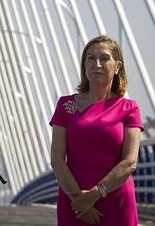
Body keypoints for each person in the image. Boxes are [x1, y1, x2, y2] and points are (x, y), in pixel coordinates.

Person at [50, 35, 144, 225]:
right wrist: (79, 200)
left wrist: (93, 195)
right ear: (84, 65)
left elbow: (129, 162)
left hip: (116, 202)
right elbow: (57, 159)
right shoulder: (66, 105)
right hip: (74, 202)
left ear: (117, 66)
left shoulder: (129, 109)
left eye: (104, 58)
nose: (97, 64)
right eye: (91, 58)